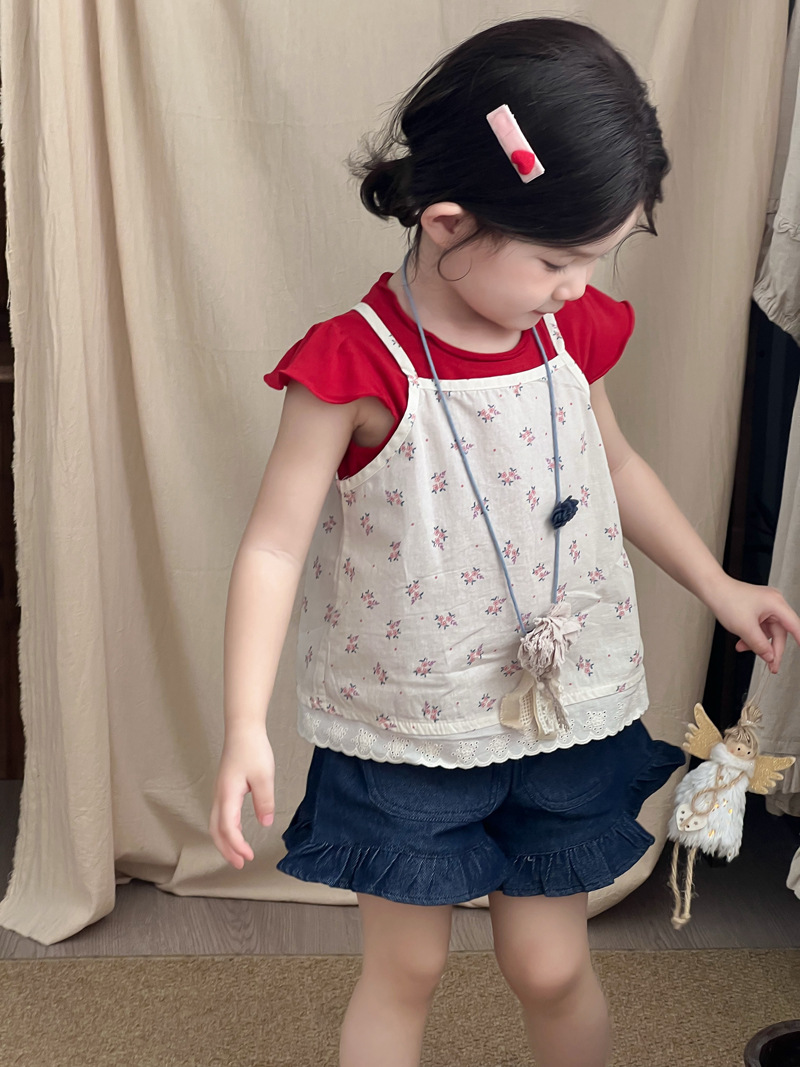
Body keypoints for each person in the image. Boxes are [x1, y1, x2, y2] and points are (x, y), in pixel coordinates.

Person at [209, 17, 800, 1067]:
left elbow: (618, 468)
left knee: (551, 965)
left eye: (597, 258)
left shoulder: (568, 333)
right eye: (557, 259)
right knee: (405, 970)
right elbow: (271, 550)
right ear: (448, 224)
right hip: (408, 729)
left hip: (560, 715)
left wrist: (717, 583)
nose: (579, 285)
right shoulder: (353, 366)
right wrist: (243, 722)